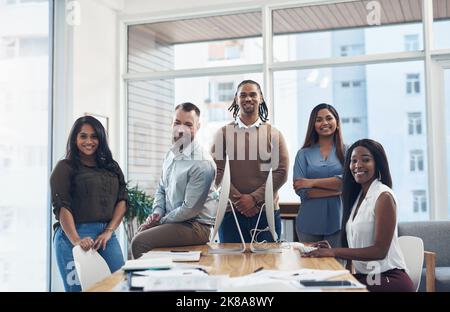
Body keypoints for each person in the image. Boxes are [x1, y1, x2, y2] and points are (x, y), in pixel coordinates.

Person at [302, 139, 414, 292]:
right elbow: (359, 245)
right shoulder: (358, 197)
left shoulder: (383, 196)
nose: (358, 165)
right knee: (314, 284)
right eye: (353, 161)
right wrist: (332, 248)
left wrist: (334, 251)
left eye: (365, 160)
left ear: (377, 163)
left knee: (327, 289)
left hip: (389, 278)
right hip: (367, 276)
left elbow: (379, 251)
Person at [50, 116, 127, 292]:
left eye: (94, 136)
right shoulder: (64, 167)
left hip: (106, 236)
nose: (89, 141)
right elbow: (62, 206)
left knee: (120, 286)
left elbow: (122, 200)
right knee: (78, 290)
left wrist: (109, 231)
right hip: (72, 237)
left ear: (100, 139)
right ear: (75, 139)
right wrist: (76, 240)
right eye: (83, 136)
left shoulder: (111, 167)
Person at [131, 102, 217, 259]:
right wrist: (156, 214)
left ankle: (146, 283)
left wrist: (160, 222)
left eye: (188, 124)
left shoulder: (202, 163)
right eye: (177, 123)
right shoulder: (171, 154)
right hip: (175, 221)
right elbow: (161, 188)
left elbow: (189, 209)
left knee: (139, 242)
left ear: (198, 127)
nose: (181, 129)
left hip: (196, 226)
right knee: (141, 234)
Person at [211, 80, 289, 243]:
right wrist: (239, 200)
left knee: (268, 265)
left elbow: (281, 172)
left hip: (266, 213)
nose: (248, 98)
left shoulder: (273, 134)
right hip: (230, 213)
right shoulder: (223, 133)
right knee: (231, 266)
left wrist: (253, 198)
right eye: (243, 95)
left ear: (260, 98)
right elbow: (217, 171)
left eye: (253, 94)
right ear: (236, 99)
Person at [293, 103, 345, 247]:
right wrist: (337, 189)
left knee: (337, 267)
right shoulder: (303, 154)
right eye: (319, 120)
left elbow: (348, 183)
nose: (325, 123)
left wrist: (311, 182)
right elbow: (301, 189)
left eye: (329, 118)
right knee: (310, 267)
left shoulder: (347, 151)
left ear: (337, 122)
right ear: (313, 125)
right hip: (309, 223)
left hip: (339, 221)